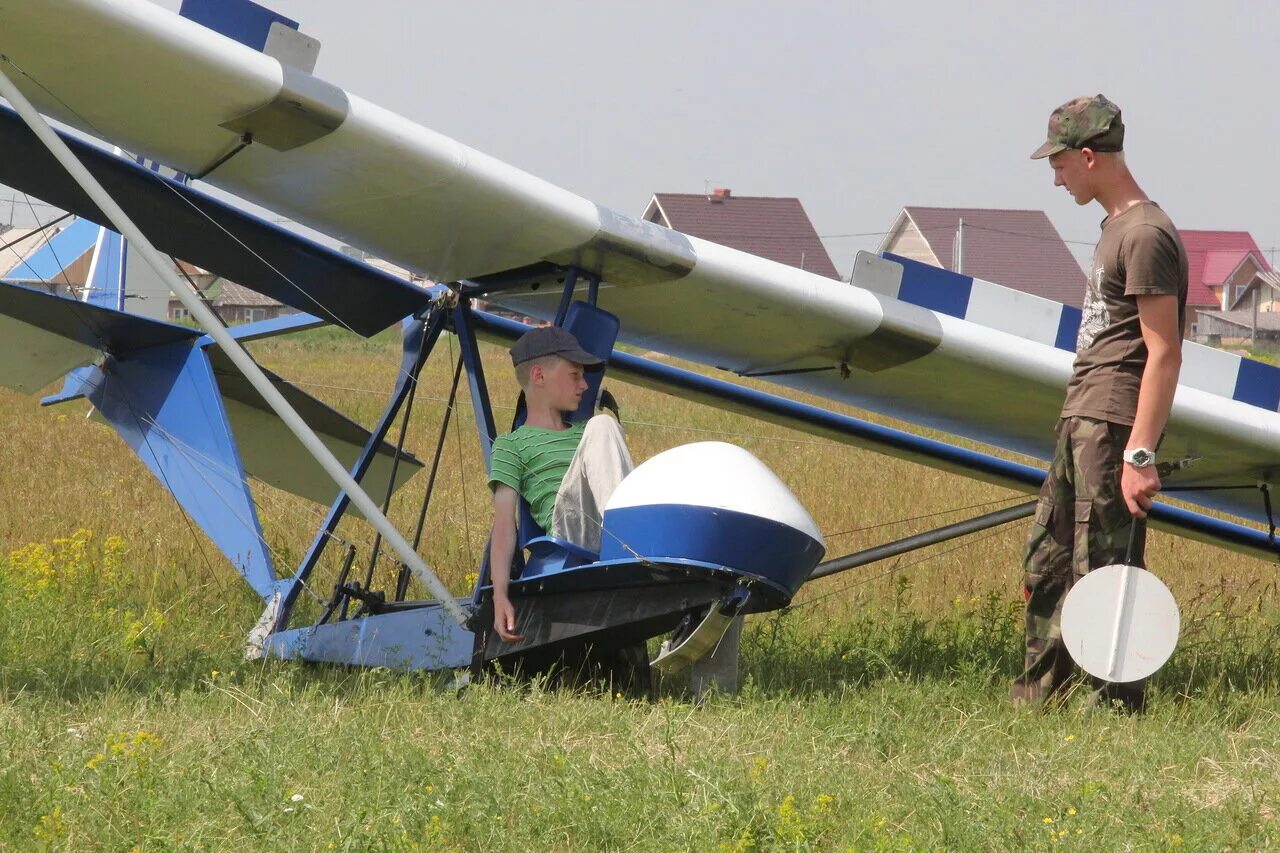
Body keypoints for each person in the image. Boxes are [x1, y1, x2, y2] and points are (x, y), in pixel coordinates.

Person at [1012, 95, 1188, 710]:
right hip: (1086, 413)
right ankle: (1041, 703)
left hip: (1113, 423)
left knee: (1103, 570)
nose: (1056, 178)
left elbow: (1163, 351)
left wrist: (1140, 453)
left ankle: (1112, 711)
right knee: (1050, 561)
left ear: (1089, 157)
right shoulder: (1116, 229)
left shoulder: (1143, 234)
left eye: (1059, 165)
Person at [486, 325, 634, 643]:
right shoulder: (512, 445)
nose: (584, 385)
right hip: (568, 528)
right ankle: (633, 542)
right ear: (539, 376)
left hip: (606, 521)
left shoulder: (585, 432)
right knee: (604, 423)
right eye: (574, 375)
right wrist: (500, 594)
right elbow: (503, 525)